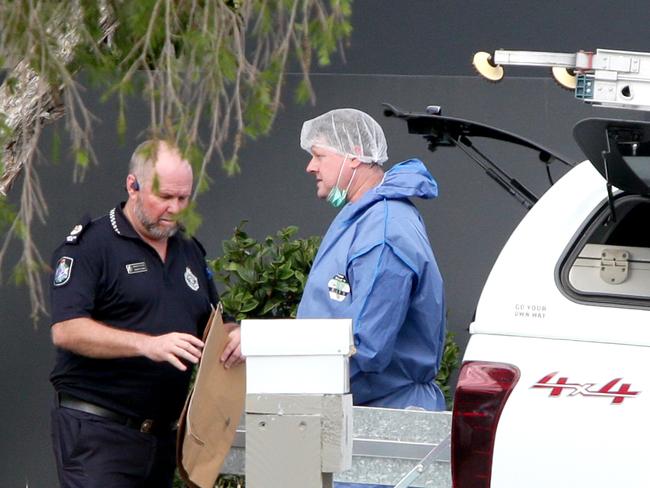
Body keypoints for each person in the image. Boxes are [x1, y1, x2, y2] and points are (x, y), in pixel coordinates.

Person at [48, 140, 243, 488]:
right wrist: (147, 345)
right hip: (99, 433)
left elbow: (211, 325)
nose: (174, 208)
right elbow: (67, 330)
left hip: (163, 438)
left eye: (183, 198)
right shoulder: (93, 245)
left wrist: (236, 336)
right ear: (132, 186)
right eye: (164, 197)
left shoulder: (189, 249)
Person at [297, 109, 446, 486]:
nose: (311, 167)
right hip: (360, 416)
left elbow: (367, 347)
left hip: (386, 423)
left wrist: (290, 382)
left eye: (319, 155)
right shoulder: (363, 215)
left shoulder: (383, 231)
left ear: (355, 154)